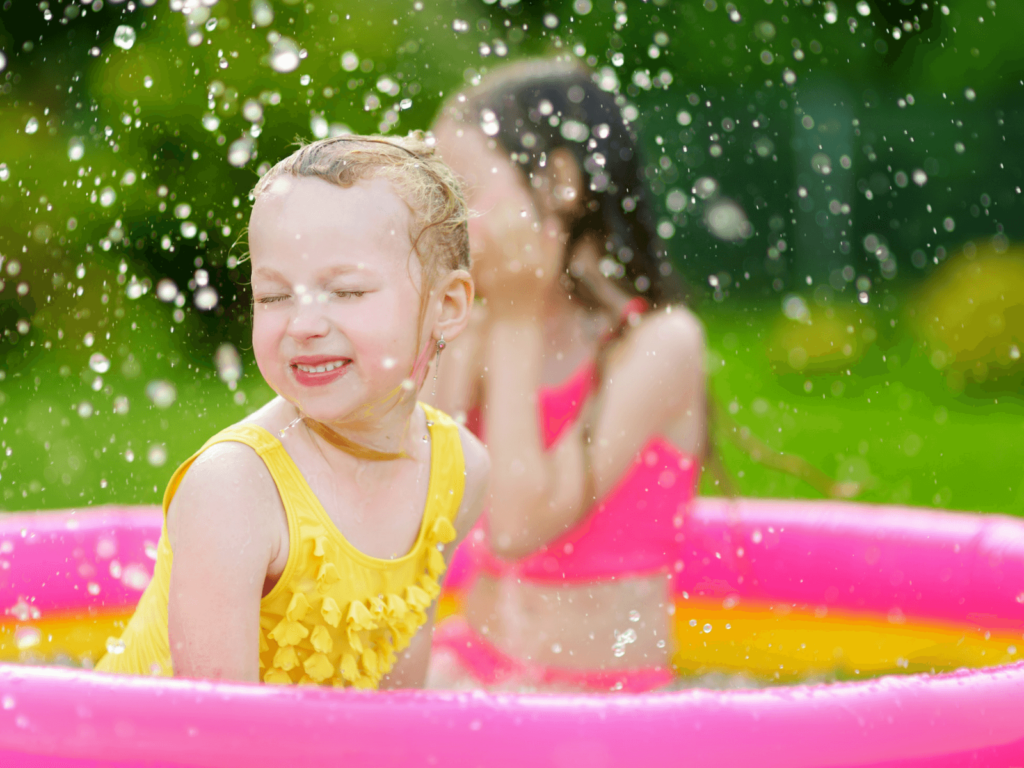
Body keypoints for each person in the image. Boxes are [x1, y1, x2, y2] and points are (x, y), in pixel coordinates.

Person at [96, 133, 490, 689]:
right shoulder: (236, 489)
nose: (302, 324)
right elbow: (210, 734)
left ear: (447, 306)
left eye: (347, 292)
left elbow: (400, 705)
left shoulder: (458, 469)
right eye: (274, 297)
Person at [426, 59, 704, 692]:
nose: (445, 222)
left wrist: (517, 322)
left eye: (462, 192)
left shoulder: (660, 343)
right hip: (476, 664)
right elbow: (418, 508)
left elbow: (520, 527)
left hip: (608, 700)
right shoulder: (479, 324)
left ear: (558, 183)